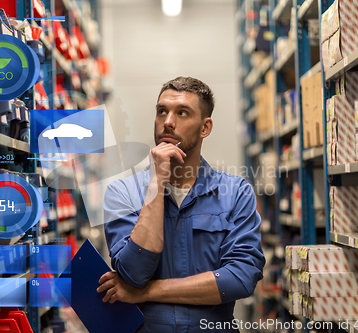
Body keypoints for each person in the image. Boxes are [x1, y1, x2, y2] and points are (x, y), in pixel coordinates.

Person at [98, 76, 265, 332]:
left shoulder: (235, 193)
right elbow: (133, 273)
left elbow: (241, 279)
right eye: (161, 111)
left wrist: (146, 292)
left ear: (205, 127)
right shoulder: (122, 193)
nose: (168, 121)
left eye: (183, 113)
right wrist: (156, 183)